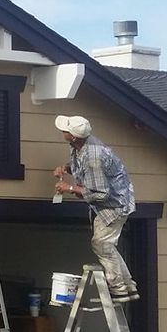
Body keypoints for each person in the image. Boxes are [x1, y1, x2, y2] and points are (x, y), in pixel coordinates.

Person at [51, 115, 139, 303]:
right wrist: (66, 168)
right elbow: (80, 166)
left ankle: (119, 288)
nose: (62, 132)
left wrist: (71, 188)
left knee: (102, 245)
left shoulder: (93, 158)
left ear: (74, 136)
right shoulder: (82, 145)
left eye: (65, 130)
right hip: (111, 204)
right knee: (106, 245)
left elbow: (101, 194)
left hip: (113, 206)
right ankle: (128, 287)